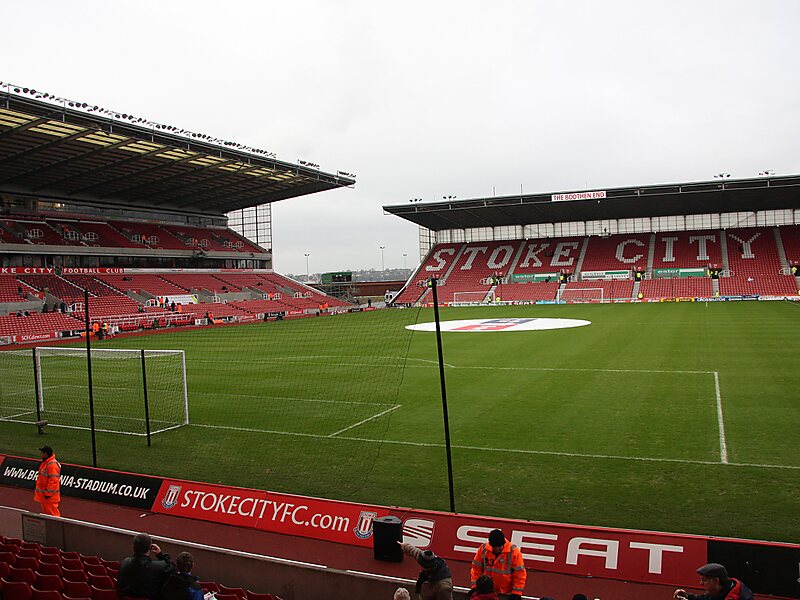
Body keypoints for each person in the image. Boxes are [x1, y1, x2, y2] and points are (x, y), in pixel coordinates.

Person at [469, 529, 526, 600]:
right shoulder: (483, 549)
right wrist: (475, 587)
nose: (497, 548)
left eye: (499, 546)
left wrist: (516, 593)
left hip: (506, 593)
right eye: (494, 547)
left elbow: (519, 574)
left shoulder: (513, 552)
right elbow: (476, 569)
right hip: (487, 591)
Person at [118, 533, 176, 600]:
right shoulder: (158, 567)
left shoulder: (125, 562)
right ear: (150, 548)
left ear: (134, 547)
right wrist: (160, 555)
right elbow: (174, 570)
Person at [673, 563, 753, 600]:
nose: (701, 583)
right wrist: (687, 596)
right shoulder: (726, 587)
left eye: (704, 580)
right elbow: (706, 598)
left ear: (716, 581)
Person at [34, 445, 61, 517]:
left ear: (45, 454)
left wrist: (48, 494)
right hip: (45, 497)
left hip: (49, 497)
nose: (40, 455)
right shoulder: (46, 463)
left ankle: (56, 528)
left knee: (53, 515)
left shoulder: (52, 465)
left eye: (42, 453)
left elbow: (53, 481)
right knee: (47, 515)